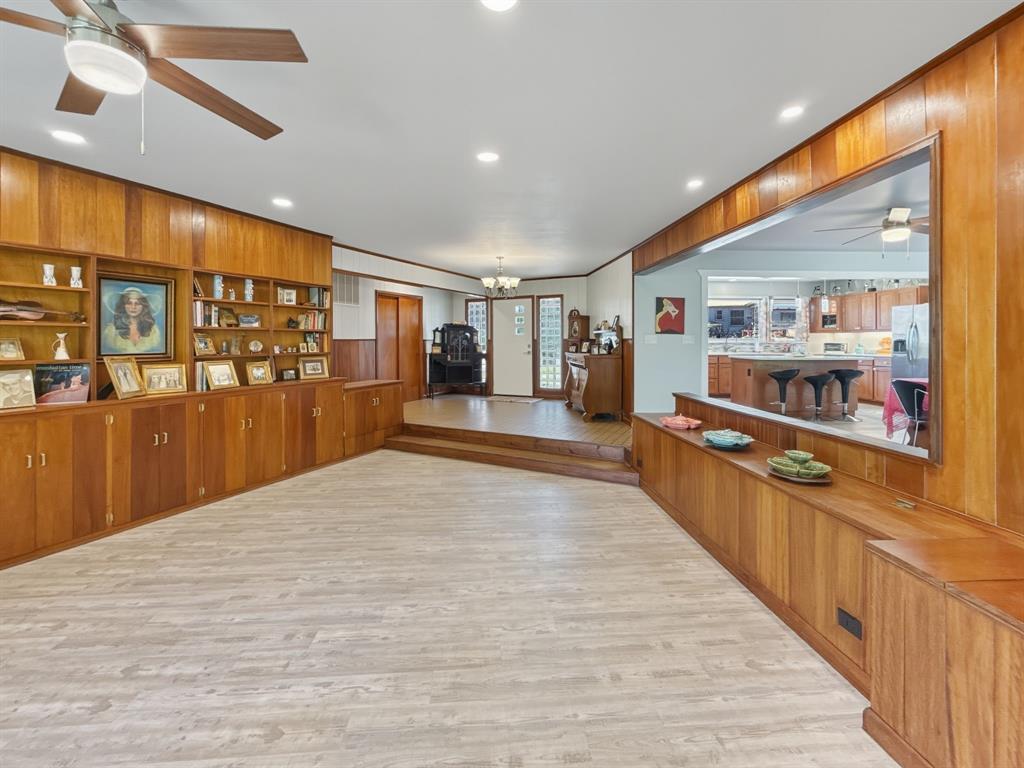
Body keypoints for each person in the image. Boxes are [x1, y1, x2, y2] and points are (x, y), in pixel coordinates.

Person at [102, 287, 162, 354]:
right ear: (123, 306)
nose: (133, 307)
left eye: (138, 303)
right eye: (129, 303)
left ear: (144, 306)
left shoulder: (153, 330)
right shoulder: (111, 330)